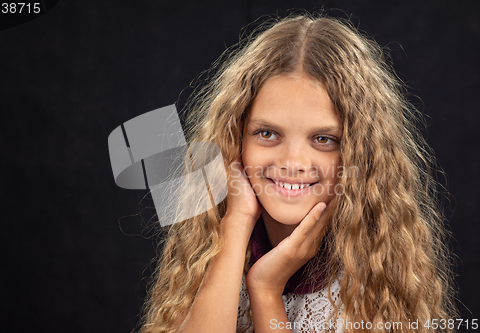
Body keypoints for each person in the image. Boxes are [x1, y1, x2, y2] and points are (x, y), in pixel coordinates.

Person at [138, 13, 457, 333]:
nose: (292, 161)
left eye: (323, 139)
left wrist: (265, 292)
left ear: (357, 154)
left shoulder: (375, 282)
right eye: (267, 133)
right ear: (236, 140)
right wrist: (236, 223)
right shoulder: (208, 247)